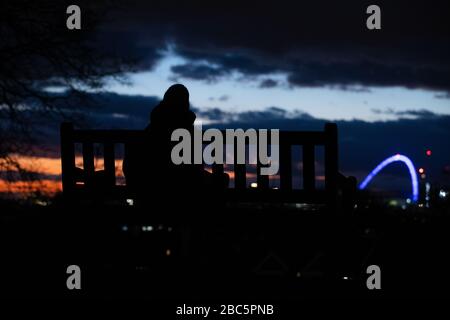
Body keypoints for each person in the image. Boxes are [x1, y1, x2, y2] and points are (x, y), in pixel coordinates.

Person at [123, 84, 228, 204]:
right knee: (220, 180)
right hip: (180, 192)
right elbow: (194, 169)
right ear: (185, 104)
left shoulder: (152, 129)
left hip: (146, 192)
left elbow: (131, 165)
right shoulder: (187, 132)